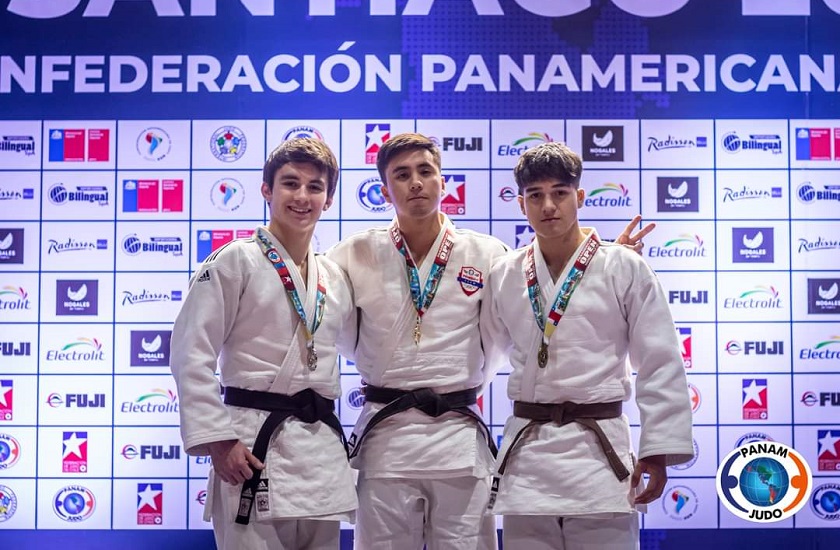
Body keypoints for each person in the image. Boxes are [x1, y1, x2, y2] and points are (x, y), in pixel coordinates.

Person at [326, 133, 651, 549]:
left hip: (459, 441)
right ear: (384, 188)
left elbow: (527, 314)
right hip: (386, 439)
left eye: (426, 171)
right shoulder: (353, 254)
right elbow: (329, 322)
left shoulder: (487, 254)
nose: (416, 183)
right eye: (401, 175)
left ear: (444, 181)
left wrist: (607, 261)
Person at [485, 141, 694, 550]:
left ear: (579, 196)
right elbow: (483, 354)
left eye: (560, 193)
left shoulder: (624, 266)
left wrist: (658, 450)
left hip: (600, 455)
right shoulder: (504, 274)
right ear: (521, 204)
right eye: (535, 195)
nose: (548, 205)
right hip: (529, 456)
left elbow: (660, 360)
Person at [170, 138, 357, 550]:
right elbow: (190, 353)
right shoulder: (233, 261)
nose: (302, 196)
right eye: (290, 184)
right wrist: (219, 440)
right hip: (251, 448)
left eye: (315, 187)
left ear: (328, 200)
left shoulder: (335, 277)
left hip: (319, 451)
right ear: (267, 190)